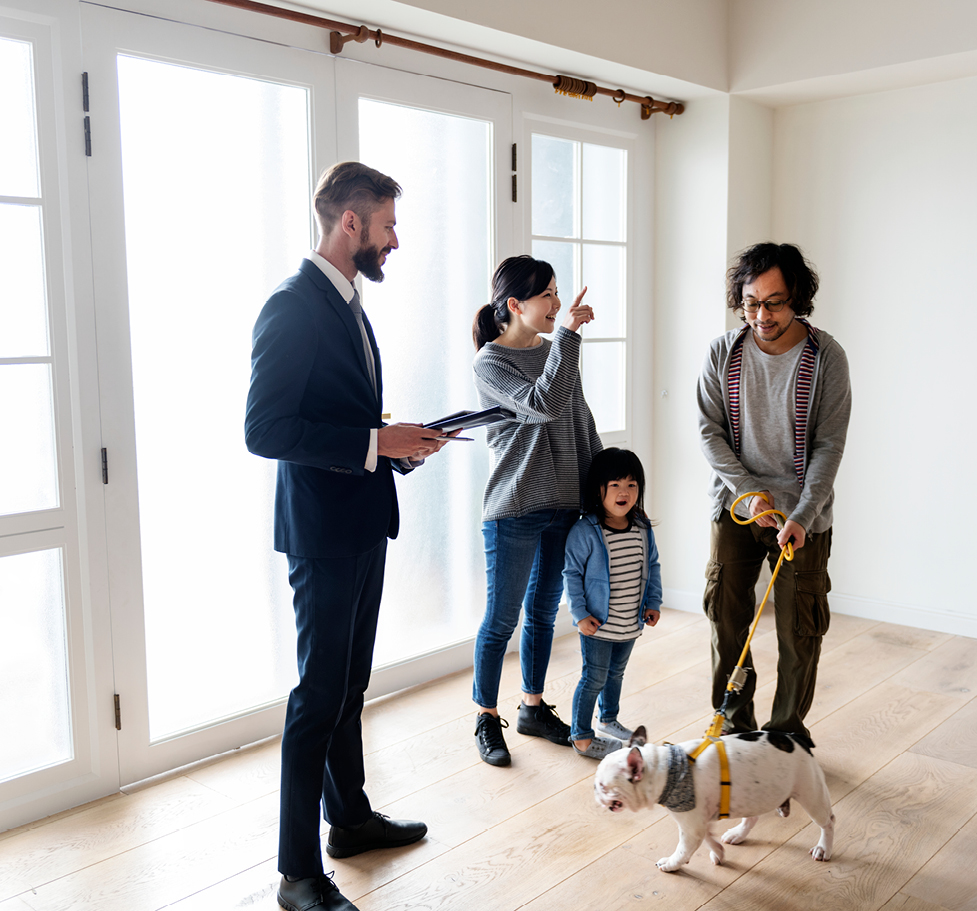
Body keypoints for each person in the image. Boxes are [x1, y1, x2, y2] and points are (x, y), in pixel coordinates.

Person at [245, 161, 451, 911]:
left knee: (348, 687)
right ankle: (297, 872)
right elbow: (264, 430)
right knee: (317, 695)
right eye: (389, 224)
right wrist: (373, 442)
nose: (396, 239)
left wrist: (395, 445)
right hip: (323, 534)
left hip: (362, 522)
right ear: (351, 223)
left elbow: (342, 415)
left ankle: (351, 820)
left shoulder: (348, 302)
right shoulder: (292, 306)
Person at [697, 242, 851, 740]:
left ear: (798, 299)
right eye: (750, 302)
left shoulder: (827, 357)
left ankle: (785, 738)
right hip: (736, 509)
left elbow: (829, 444)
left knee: (799, 632)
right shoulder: (723, 352)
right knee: (726, 622)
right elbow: (709, 432)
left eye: (774, 302)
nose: (760, 315)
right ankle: (737, 733)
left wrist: (802, 515)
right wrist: (748, 495)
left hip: (804, 519)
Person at [470, 254, 602, 767]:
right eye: (546, 294)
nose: (556, 302)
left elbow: (576, 419)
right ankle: (485, 716)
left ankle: (531, 707)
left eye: (555, 292)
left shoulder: (555, 349)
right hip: (515, 508)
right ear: (514, 304)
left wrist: (596, 496)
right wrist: (568, 337)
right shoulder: (490, 362)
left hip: (564, 503)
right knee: (500, 620)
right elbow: (542, 404)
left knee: (544, 614)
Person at [563, 448, 662, 759]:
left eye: (632, 485)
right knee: (594, 677)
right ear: (599, 489)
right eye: (615, 484)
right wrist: (579, 614)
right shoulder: (585, 531)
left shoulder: (642, 528)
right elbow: (571, 573)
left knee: (616, 674)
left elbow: (653, 566)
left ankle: (608, 719)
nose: (624, 492)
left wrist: (653, 602)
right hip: (598, 624)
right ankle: (580, 736)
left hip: (629, 623)